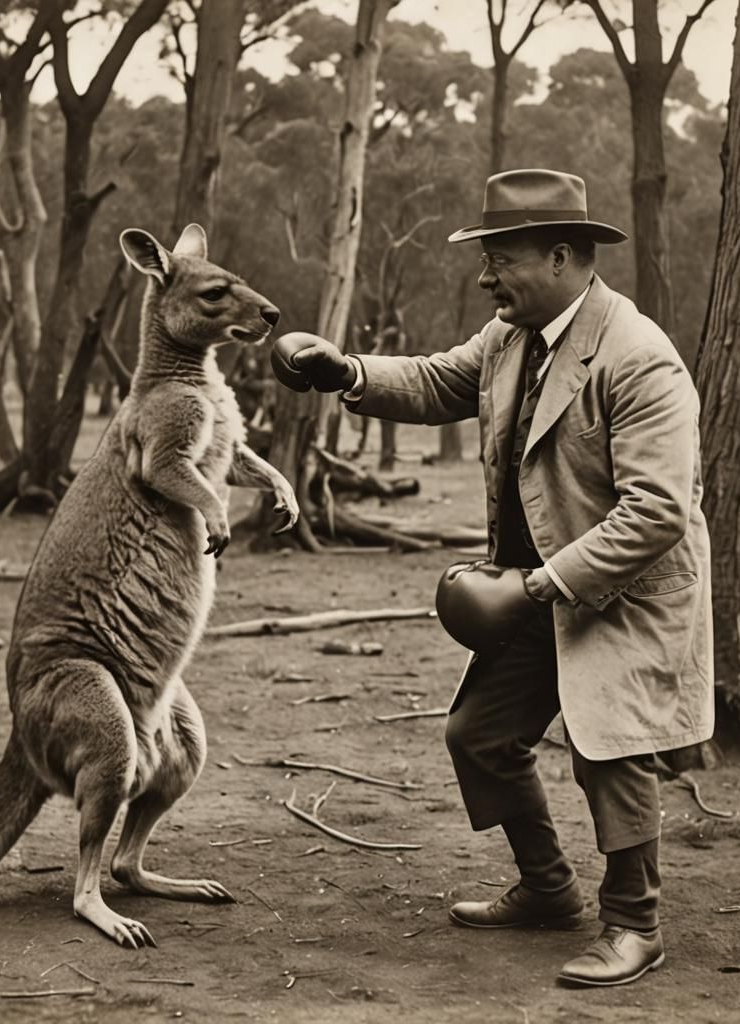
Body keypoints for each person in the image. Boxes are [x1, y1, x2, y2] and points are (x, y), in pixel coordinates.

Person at [279, 168, 714, 988]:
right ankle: (550, 890)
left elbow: (658, 511)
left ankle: (635, 925)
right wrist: (346, 372)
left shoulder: (639, 358)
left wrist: (543, 585)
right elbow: (442, 381)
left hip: (617, 590)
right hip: (536, 589)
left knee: (610, 750)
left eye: (499, 258)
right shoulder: (512, 337)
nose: (485, 276)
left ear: (560, 256)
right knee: (478, 734)